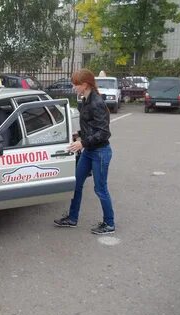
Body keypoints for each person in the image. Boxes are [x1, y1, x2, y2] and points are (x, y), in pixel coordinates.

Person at [54, 68, 115, 235]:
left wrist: (82, 143)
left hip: (100, 152)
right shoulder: (86, 99)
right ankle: (72, 219)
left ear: (85, 85)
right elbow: (91, 127)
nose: (74, 87)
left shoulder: (96, 102)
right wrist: (78, 135)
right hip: (89, 150)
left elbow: (104, 133)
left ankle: (109, 224)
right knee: (76, 184)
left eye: (76, 84)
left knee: (100, 188)